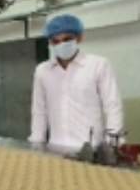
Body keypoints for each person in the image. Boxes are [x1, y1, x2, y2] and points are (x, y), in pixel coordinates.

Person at [28, 14, 124, 156]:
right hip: (56, 147)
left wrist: (112, 146)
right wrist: (36, 145)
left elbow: (112, 106)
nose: (61, 44)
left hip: (90, 150)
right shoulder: (43, 71)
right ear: (50, 43)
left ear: (79, 37)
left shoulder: (97, 65)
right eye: (56, 41)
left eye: (67, 39)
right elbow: (39, 111)